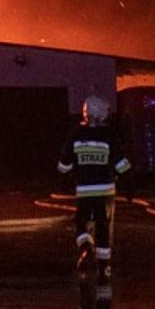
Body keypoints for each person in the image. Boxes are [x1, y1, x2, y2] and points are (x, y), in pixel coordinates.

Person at [58, 95, 131, 272]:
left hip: (84, 190)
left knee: (81, 222)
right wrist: (130, 186)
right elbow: (121, 164)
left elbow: (63, 166)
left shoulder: (76, 134)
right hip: (106, 190)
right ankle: (104, 267)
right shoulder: (109, 135)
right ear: (102, 114)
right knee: (103, 227)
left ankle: (85, 248)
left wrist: (69, 174)